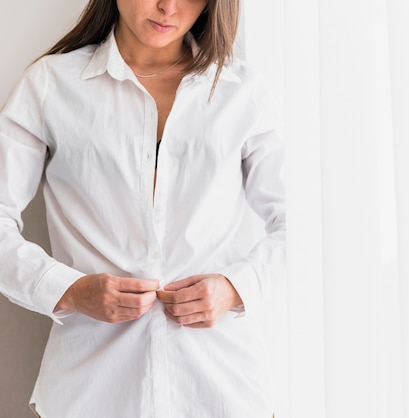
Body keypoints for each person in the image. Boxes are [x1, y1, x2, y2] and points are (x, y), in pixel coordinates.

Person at [0, 0, 285, 416]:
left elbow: (300, 226)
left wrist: (235, 288)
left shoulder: (241, 92)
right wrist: (69, 290)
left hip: (222, 390)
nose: (168, 7)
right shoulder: (50, 86)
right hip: (89, 393)